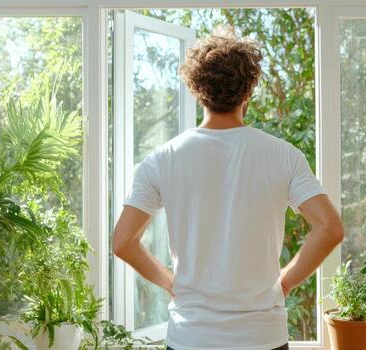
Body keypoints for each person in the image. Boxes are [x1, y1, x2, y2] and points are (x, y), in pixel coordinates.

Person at [112, 28, 344, 350]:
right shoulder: (283, 155)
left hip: (191, 338)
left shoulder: (161, 160)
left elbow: (123, 242)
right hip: (263, 337)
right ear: (248, 91)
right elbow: (330, 228)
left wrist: (171, 283)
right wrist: (285, 282)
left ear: (197, 90)